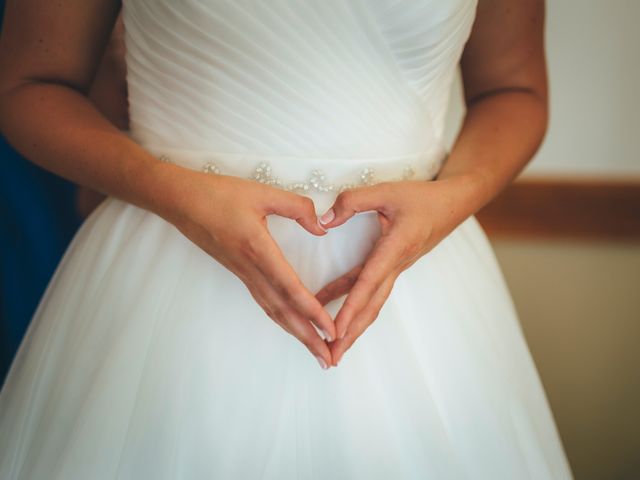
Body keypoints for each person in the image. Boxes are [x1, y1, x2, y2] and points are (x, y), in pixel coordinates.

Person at [0, 0, 575, 478]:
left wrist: (453, 196)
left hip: (415, 284)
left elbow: (513, 88)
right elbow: (31, 83)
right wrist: (175, 193)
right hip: (171, 268)